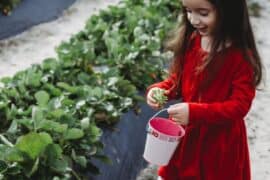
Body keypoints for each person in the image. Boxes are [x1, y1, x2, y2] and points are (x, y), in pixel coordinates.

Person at [146, 0, 264, 179]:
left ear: (229, 11)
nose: (193, 20)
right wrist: (160, 90)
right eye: (188, 11)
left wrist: (194, 112)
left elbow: (239, 106)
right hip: (188, 138)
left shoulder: (240, 58)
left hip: (219, 146)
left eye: (203, 13)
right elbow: (177, 81)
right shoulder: (192, 41)